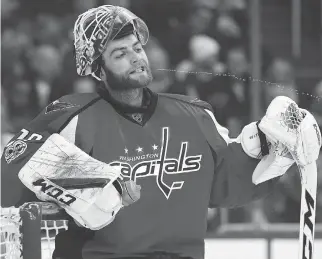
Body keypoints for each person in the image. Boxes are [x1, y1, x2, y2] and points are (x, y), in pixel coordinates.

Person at [1, 5, 320, 259]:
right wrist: (83, 181)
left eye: (136, 47)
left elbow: (225, 187)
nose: (136, 58)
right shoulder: (71, 114)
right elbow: (9, 170)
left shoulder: (194, 112)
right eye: (120, 53)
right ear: (98, 70)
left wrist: (270, 146)